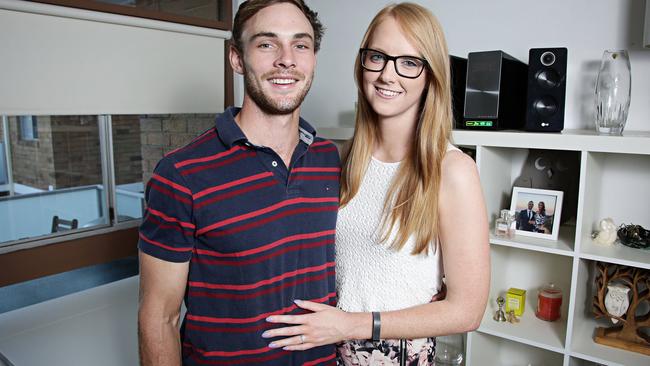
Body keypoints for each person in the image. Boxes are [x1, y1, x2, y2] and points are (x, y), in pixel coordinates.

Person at [262, 3, 490, 365]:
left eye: (409, 62)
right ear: (361, 63)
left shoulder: (452, 171)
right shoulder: (339, 159)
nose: (388, 74)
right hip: (322, 349)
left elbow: (467, 311)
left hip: (393, 354)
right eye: (378, 57)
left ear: (431, 75)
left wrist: (351, 326)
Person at [137, 1, 340, 365]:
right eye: (266, 44)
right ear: (236, 58)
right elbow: (159, 318)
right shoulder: (181, 174)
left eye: (301, 44)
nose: (286, 59)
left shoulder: (331, 161)